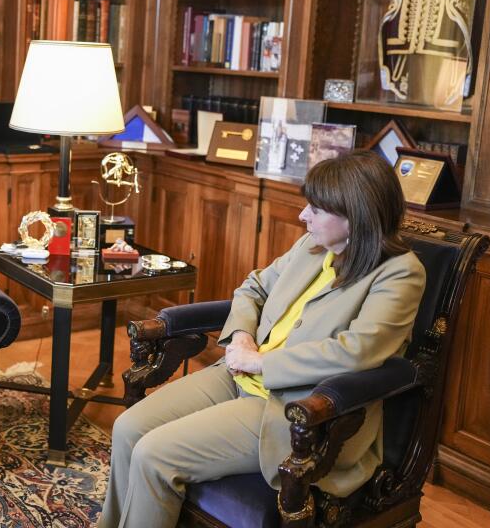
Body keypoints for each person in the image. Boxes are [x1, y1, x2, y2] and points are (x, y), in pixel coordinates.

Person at [98, 150, 426, 528]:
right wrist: (241, 339)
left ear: (356, 216)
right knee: (127, 430)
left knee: (153, 455)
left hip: (297, 406)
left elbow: (358, 351)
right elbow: (253, 287)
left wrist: (260, 363)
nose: (303, 215)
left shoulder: (400, 273)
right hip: (238, 374)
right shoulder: (311, 246)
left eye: (315, 210)